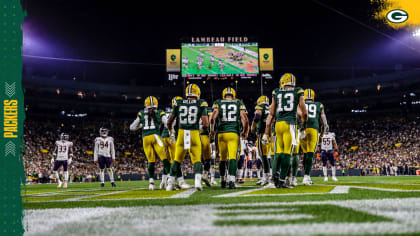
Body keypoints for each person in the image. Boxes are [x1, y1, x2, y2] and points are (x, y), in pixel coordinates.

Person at [263, 73, 308, 188]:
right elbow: (304, 111)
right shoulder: (298, 91)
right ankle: (282, 181)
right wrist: (304, 123)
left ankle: (275, 176)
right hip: (290, 124)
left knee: (278, 152)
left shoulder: (276, 91)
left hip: (278, 124)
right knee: (288, 153)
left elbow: (272, 113)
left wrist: (266, 132)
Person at [166, 84, 209, 191]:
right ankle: (197, 182)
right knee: (197, 159)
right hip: (194, 133)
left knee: (177, 160)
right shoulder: (201, 103)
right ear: (197, 93)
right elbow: (206, 123)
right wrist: (201, 129)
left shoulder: (179, 102)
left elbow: (169, 121)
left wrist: (171, 131)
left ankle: (170, 184)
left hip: (181, 133)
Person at [210, 87, 249, 189]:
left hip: (221, 134)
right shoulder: (238, 103)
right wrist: (245, 131)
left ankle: (222, 180)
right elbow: (245, 118)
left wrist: (211, 130)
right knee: (232, 157)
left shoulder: (218, 102)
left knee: (222, 158)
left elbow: (213, 117)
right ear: (233, 94)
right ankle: (231, 181)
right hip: (233, 133)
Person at [130, 96, 170, 190]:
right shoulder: (160, 112)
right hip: (156, 136)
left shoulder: (141, 113)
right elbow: (167, 123)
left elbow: (132, 127)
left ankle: (151, 183)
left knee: (151, 161)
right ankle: (169, 180)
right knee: (165, 160)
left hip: (146, 138)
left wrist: (141, 125)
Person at [300, 88, 328, 185]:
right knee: (310, 154)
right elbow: (325, 123)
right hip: (313, 129)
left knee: (305, 154)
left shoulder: (300, 104)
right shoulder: (319, 105)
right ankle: (306, 177)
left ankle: (292, 177)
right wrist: (322, 135)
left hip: (302, 130)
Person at [251, 95, 271, 186]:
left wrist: (253, 127)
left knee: (263, 156)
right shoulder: (271, 108)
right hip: (272, 134)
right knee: (272, 156)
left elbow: (257, 117)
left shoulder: (260, 107)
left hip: (263, 134)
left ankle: (266, 177)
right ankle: (273, 175)